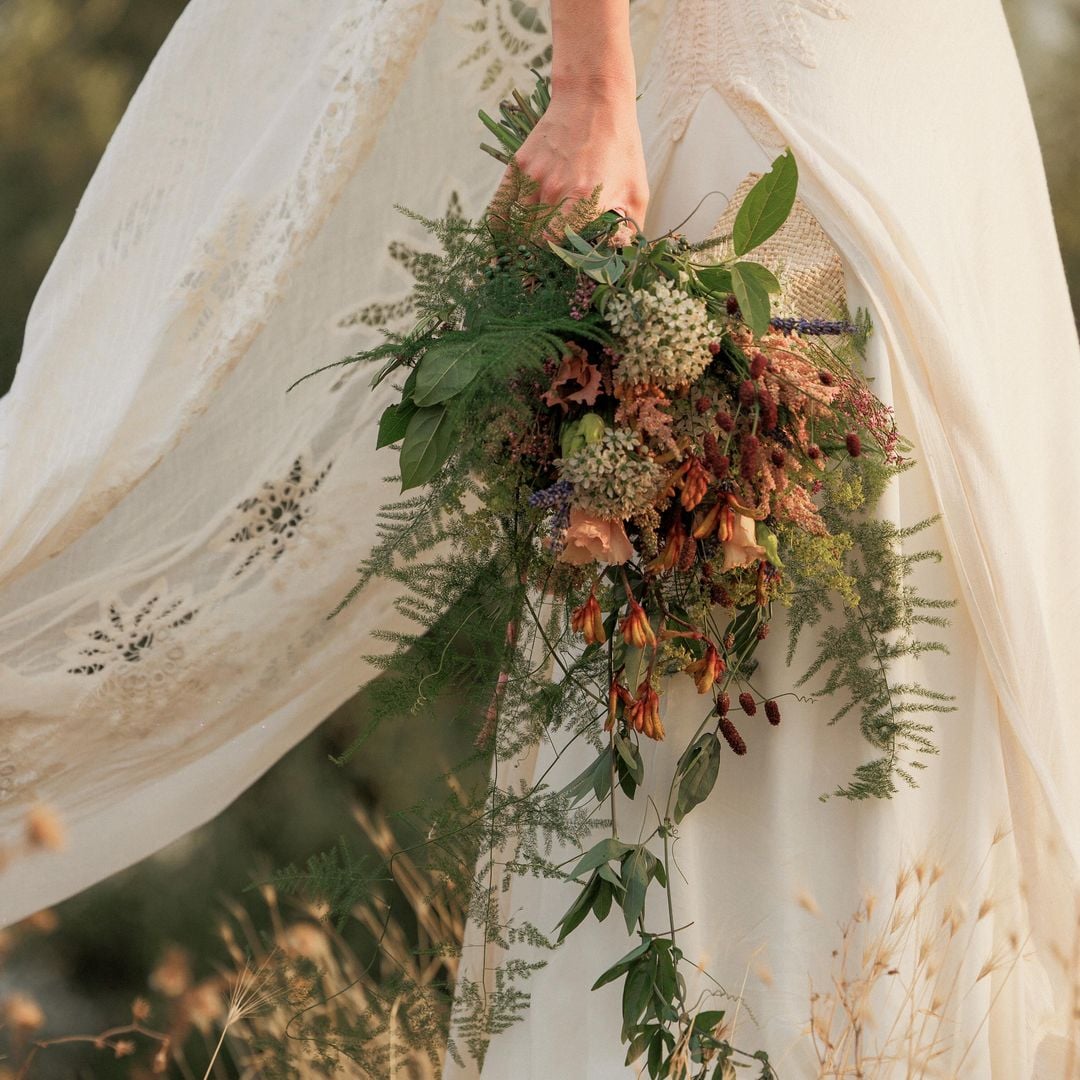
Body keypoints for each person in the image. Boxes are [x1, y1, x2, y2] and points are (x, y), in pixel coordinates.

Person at [0, 0, 1077, 1074]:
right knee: (768, 637)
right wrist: (592, 85)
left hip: (946, 118)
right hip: (787, 139)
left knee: (934, 642)